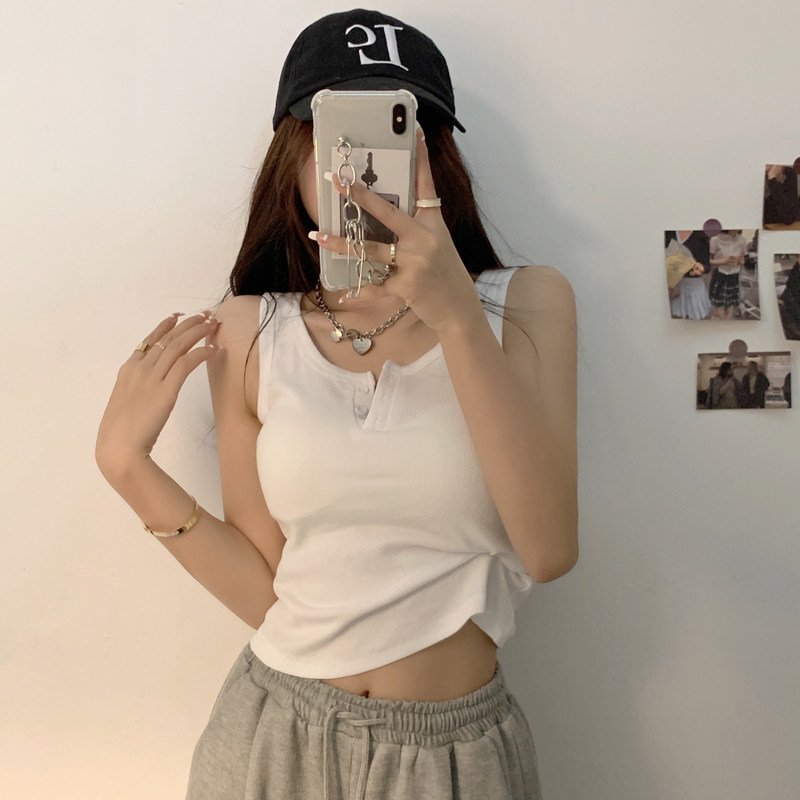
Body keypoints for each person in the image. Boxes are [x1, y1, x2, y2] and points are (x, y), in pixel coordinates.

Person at [96, 10, 577, 800]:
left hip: (450, 759)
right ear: (293, 157)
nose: (366, 169)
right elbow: (271, 590)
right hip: (270, 734)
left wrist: (456, 314)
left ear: (438, 157)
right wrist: (128, 469)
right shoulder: (250, 328)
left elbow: (550, 550)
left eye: (399, 133)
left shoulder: (527, 305)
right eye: (339, 137)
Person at [665, 230, 711, 320]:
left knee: (693, 319)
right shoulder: (669, 233)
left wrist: (702, 268)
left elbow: (707, 265)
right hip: (672, 285)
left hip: (692, 286)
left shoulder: (700, 237)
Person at [708, 229, 747, 320]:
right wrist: (724, 261)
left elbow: (743, 261)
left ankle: (726, 326)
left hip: (734, 276)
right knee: (718, 311)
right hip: (720, 275)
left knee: (729, 309)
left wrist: (739, 261)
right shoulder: (716, 239)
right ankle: (715, 325)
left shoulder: (742, 240)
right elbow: (708, 261)